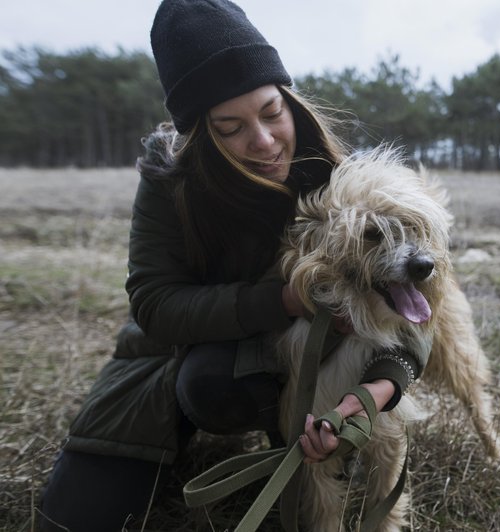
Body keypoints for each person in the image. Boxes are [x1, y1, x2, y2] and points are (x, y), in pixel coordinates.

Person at [37, 1, 427, 530]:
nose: (264, 142)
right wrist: (285, 299)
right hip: (169, 354)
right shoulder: (168, 181)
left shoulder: (341, 182)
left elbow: (414, 306)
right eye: (229, 127)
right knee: (74, 519)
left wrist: (379, 388)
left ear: (291, 102)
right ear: (199, 135)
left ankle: (292, 438)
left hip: (301, 369)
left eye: (271, 112)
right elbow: (155, 304)